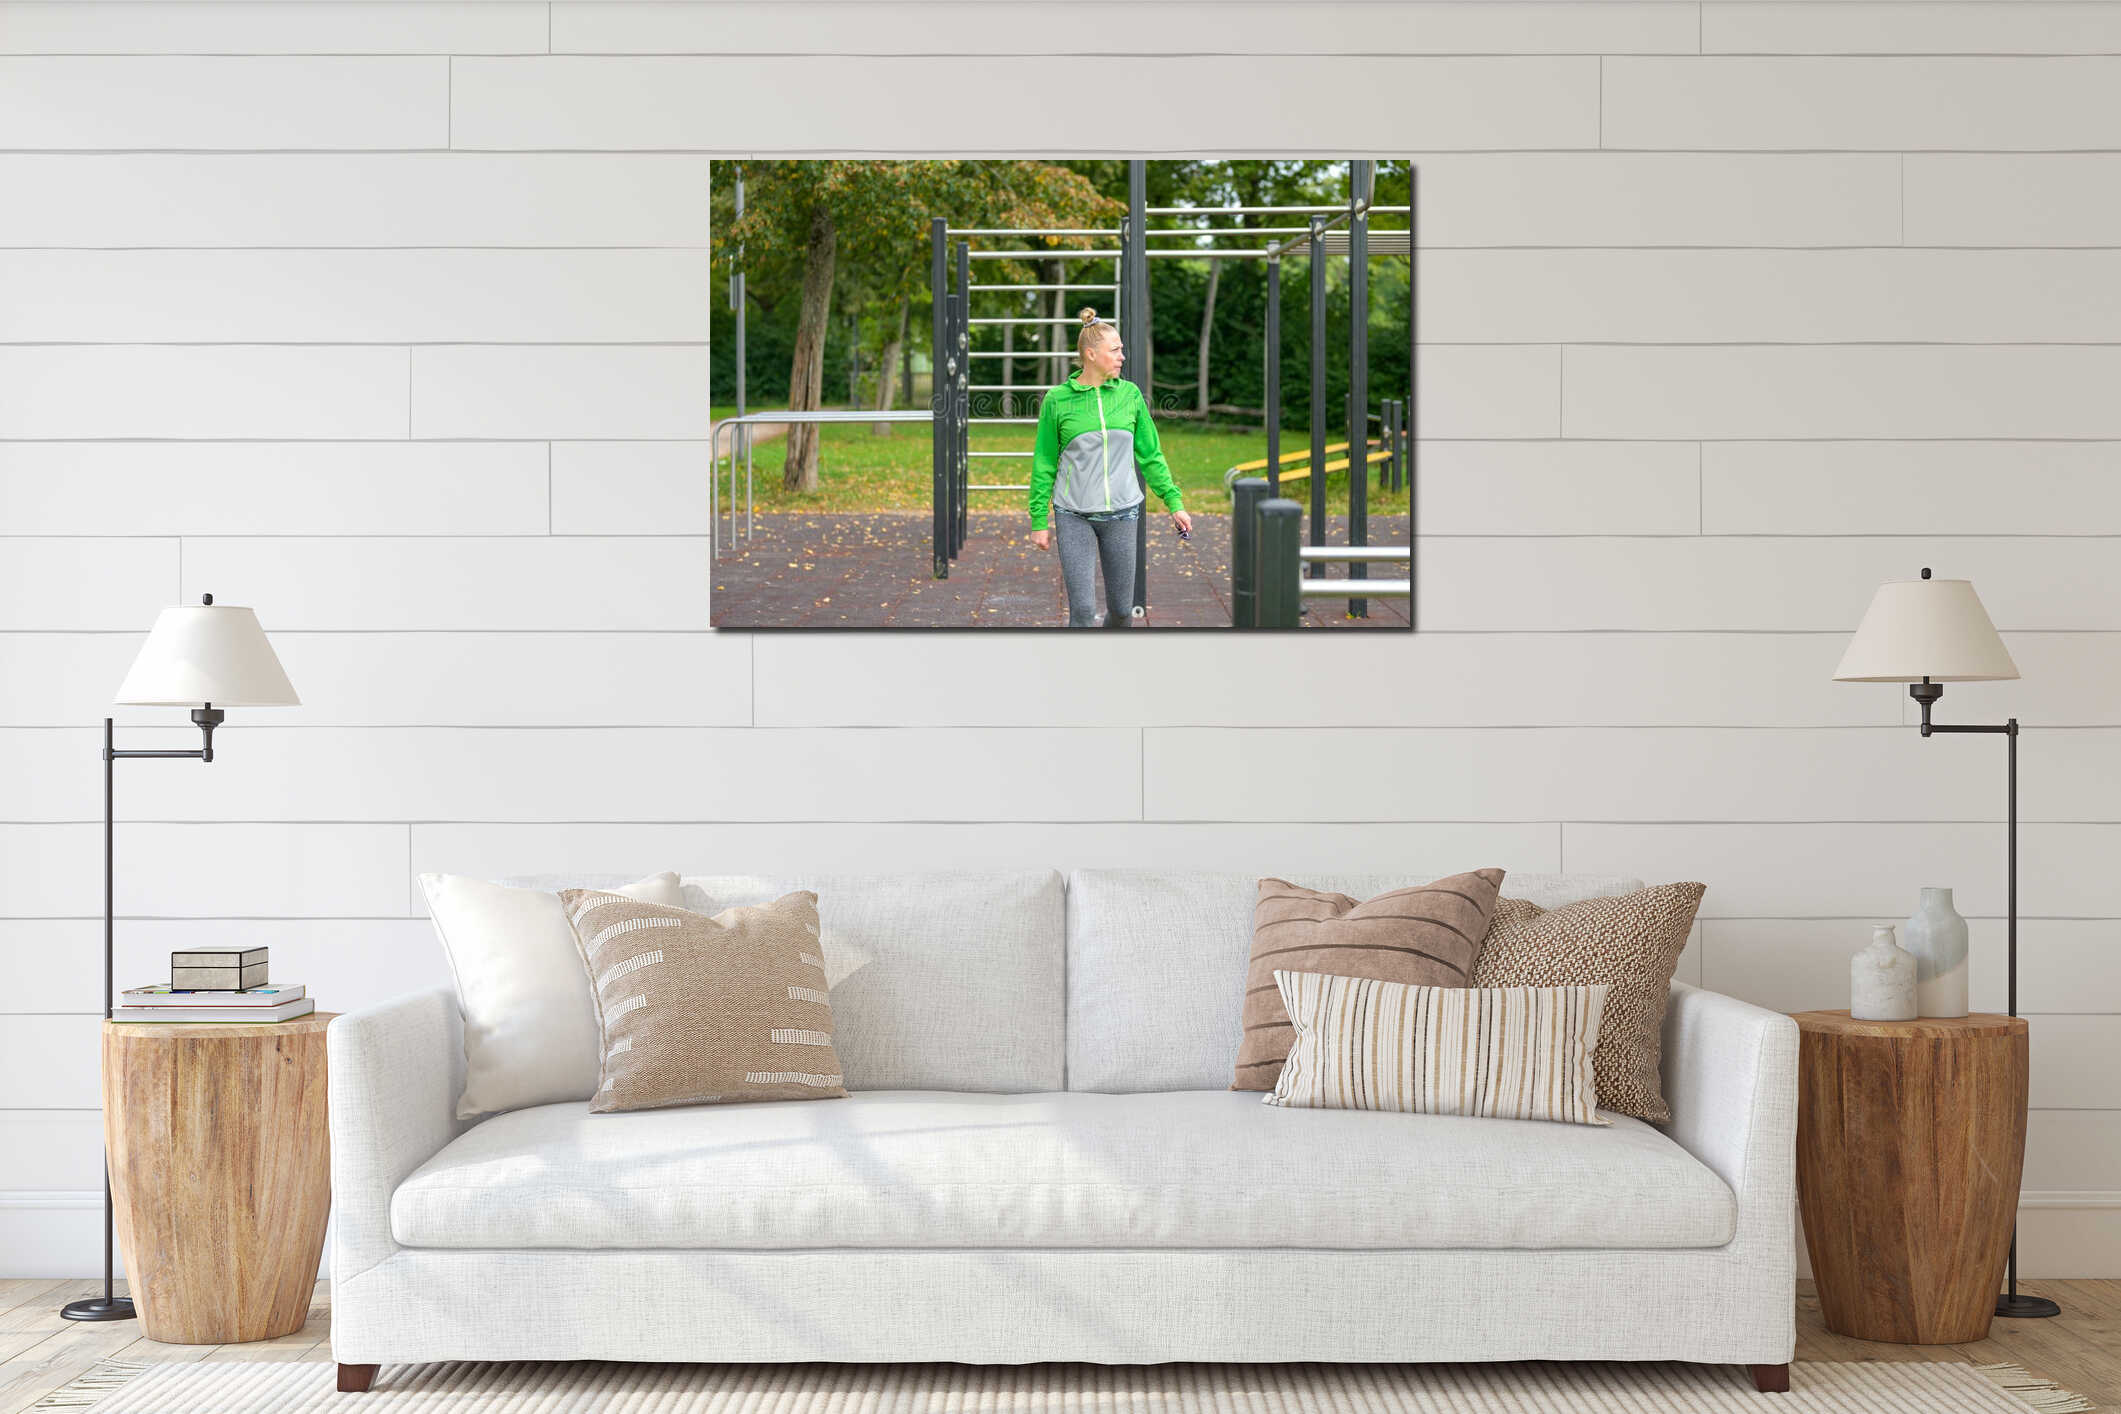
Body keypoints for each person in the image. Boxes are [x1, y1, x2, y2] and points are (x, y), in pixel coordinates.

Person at [1027, 309, 1192, 627]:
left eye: (1121, 349)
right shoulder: (1058, 401)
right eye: (1115, 350)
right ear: (1091, 354)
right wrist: (1038, 519)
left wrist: (1174, 503)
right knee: (1083, 611)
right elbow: (1044, 462)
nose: (1122, 357)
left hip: (1123, 514)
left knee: (1120, 610)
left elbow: (1151, 455)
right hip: (1074, 515)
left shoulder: (1130, 396)